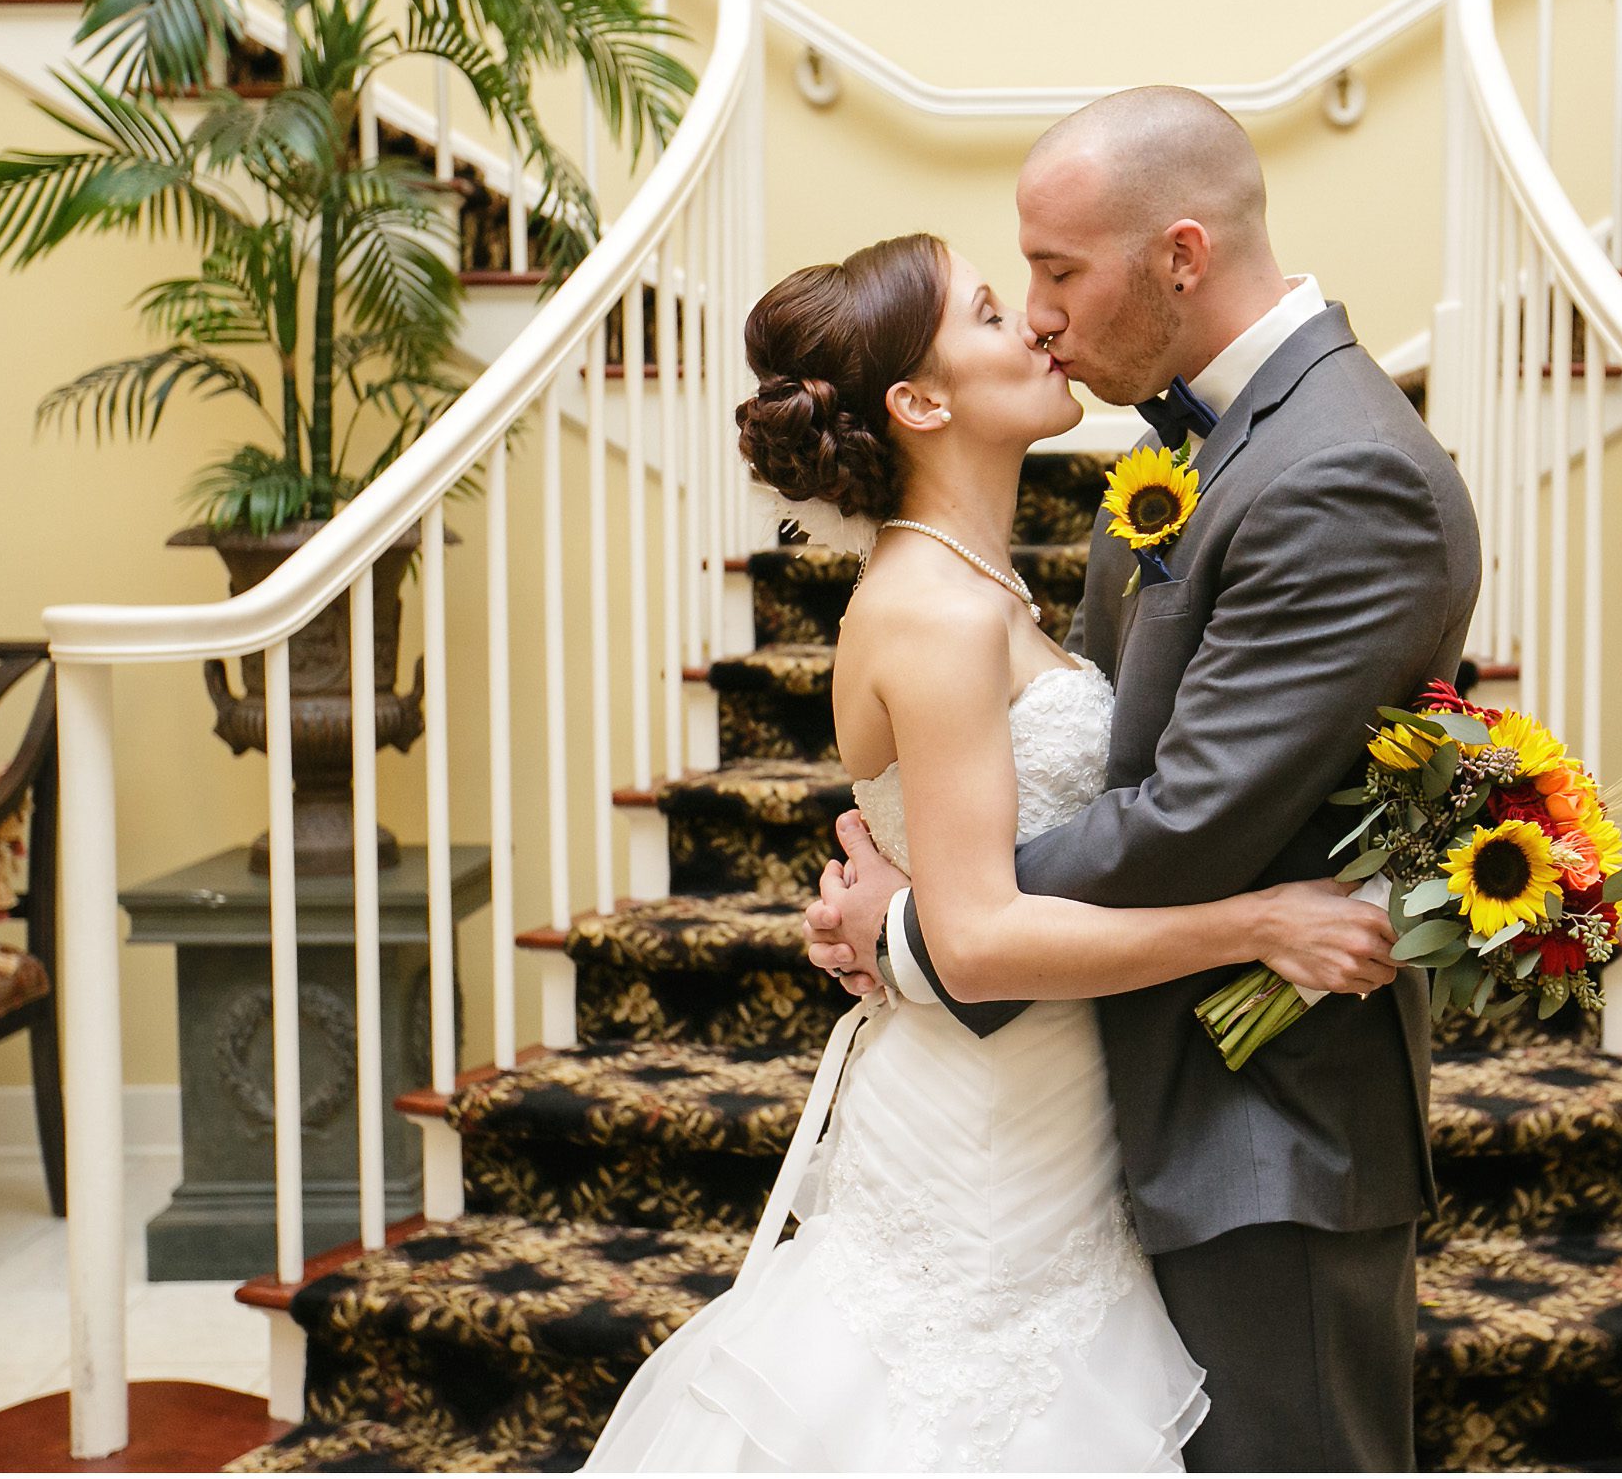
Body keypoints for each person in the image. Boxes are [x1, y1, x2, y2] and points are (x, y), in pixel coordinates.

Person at [580, 215, 1406, 1472]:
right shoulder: (933, 612)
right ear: (917, 399)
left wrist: (895, 913)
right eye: (983, 309)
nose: (1028, 318)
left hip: (1055, 1109)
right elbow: (977, 934)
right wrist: (1260, 922)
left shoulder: (988, 588)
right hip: (983, 1136)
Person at [804, 86, 1480, 1471]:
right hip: (1117, 1109)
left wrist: (930, 926)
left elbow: (1183, 823)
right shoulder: (1193, 440)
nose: (1041, 314)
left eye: (1054, 273)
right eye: (1014, 288)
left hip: (1262, 1135)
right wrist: (949, 907)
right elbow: (1115, 759)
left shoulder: (1343, 466)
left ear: (1179, 254)